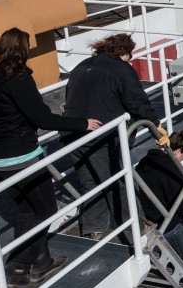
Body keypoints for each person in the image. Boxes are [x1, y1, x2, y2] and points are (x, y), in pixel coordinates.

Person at [0, 28, 100, 288]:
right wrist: (83, 123)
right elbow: (42, 119)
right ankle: (18, 267)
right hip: (21, 156)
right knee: (45, 210)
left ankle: (42, 262)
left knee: (28, 210)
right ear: (23, 50)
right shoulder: (17, 80)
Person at [63, 33, 157, 240]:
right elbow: (137, 102)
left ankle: (93, 228)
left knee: (90, 182)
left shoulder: (81, 66)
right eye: (129, 56)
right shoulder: (121, 69)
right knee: (119, 179)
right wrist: (156, 127)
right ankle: (136, 227)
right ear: (123, 53)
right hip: (100, 136)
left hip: (71, 132)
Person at [135, 128, 183, 266]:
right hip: (166, 221)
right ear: (177, 151)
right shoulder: (172, 171)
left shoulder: (147, 161)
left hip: (151, 213)